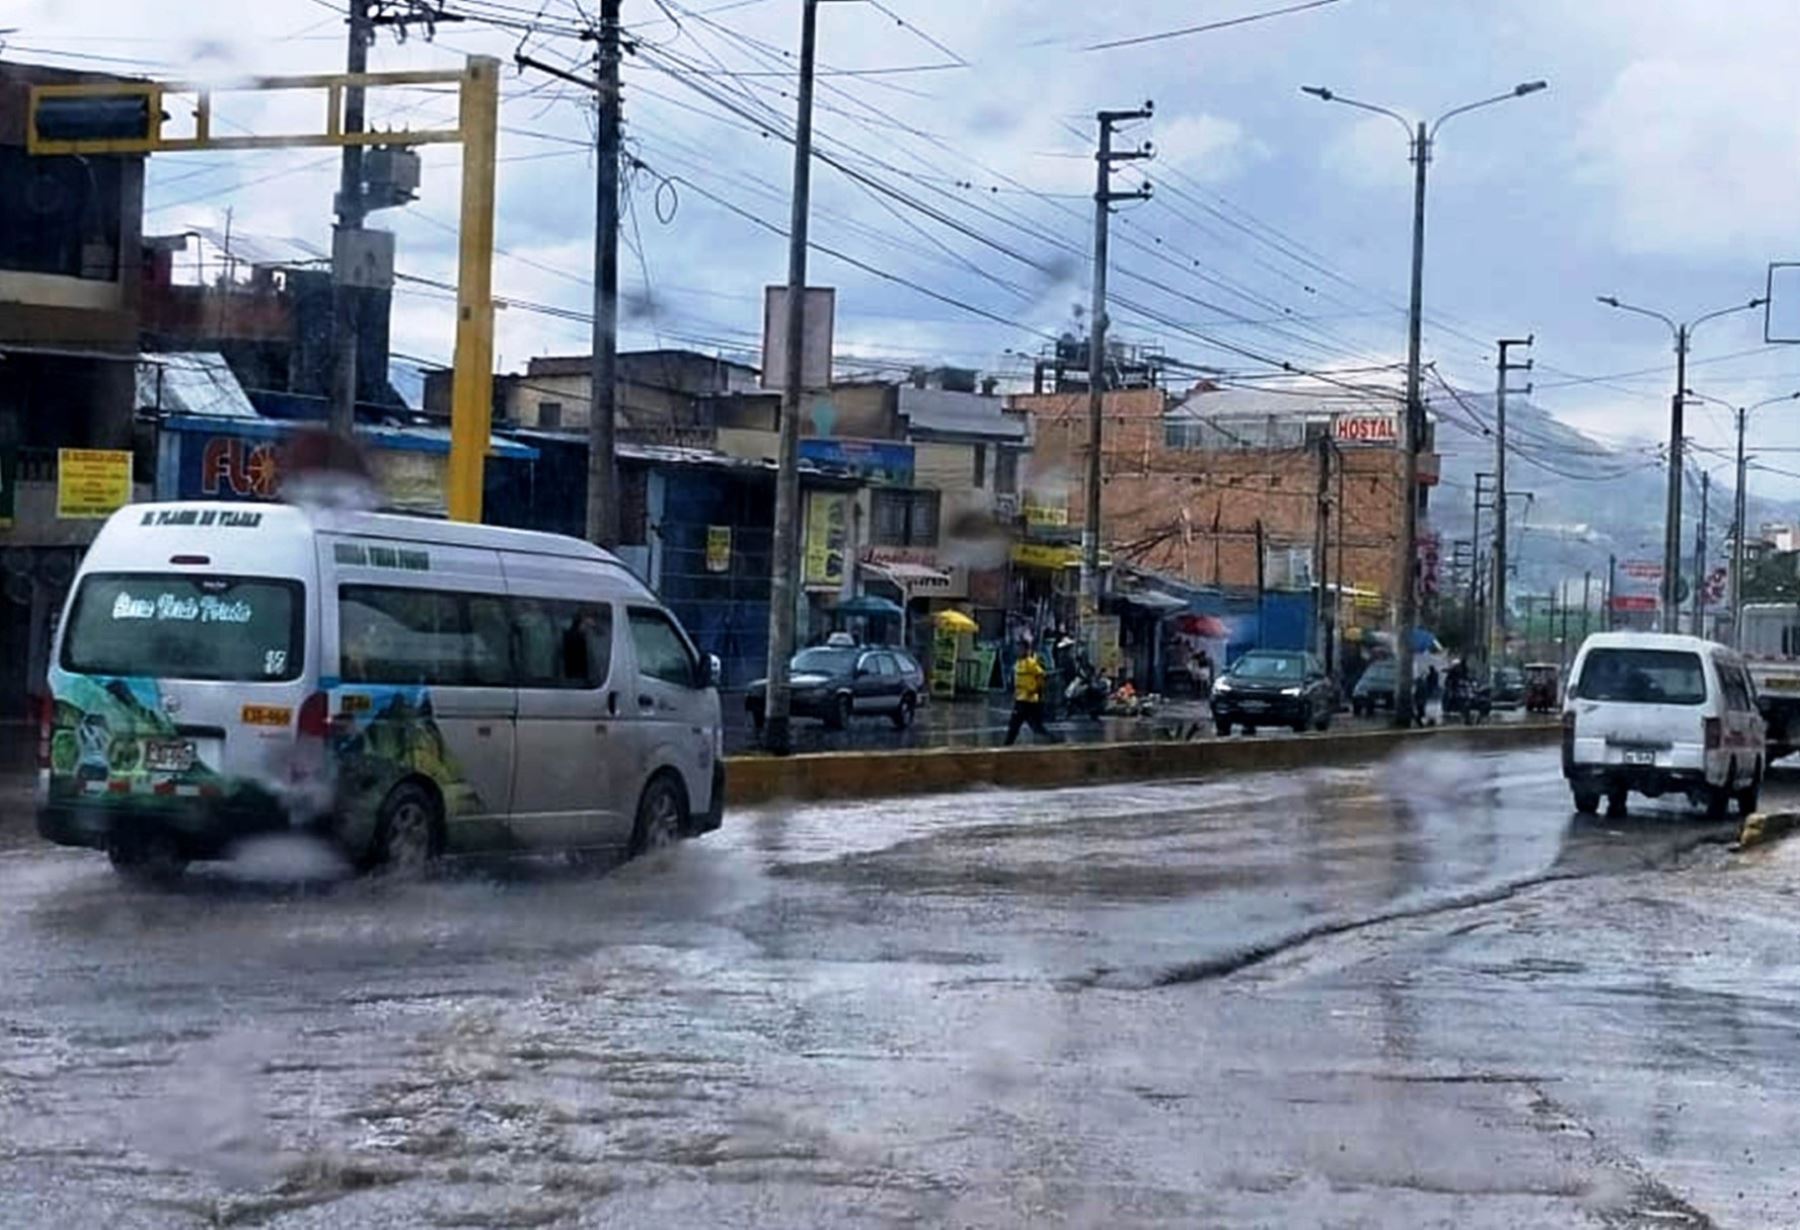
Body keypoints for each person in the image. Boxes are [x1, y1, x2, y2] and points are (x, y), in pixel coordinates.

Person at [1005, 633, 1057, 745]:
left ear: (1026, 649)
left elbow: (1041, 676)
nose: (1018, 650)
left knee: (1031, 726)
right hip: (1020, 699)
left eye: (1020, 648)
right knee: (1017, 726)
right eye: (1017, 647)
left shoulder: (1031, 663)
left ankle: (1053, 741)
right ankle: (1007, 746)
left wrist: (1036, 690)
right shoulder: (1018, 663)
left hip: (1029, 701)